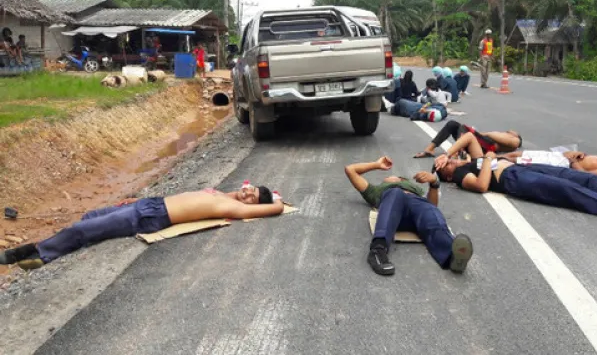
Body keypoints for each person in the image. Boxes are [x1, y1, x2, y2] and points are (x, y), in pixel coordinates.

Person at [0, 183, 283, 270]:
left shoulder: (230, 207)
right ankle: (54, 246)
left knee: (82, 231)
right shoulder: (223, 194)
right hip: (148, 205)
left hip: (150, 218)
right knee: (89, 217)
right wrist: (138, 199)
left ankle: (36, 253)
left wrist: (276, 202)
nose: (247, 196)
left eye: (253, 199)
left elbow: (276, 208)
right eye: (251, 191)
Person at [433, 136, 597, 224]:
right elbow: (482, 186)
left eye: (451, 159)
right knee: (565, 189)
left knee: (578, 177)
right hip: (513, 178)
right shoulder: (461, 175)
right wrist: (487, 160)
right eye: (449, 164)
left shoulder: (466, 162)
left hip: (525, 166)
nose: (453, 160)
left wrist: (446, 154)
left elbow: (467, 136)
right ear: (447, 174)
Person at [344, 156, 473, 276]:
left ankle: (452, 257)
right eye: (390, 177)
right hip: (395, 214)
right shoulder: (377, 191)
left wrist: (434, 182)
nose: (396, 177)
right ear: (385, 181)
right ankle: (378, 250)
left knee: (429, 211)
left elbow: (432, 205)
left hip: (418, 207)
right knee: (396, 193)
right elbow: (350, 170)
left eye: (400, 178)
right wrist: (376, 164)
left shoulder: (417, 191)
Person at [414, 119, 522, 158]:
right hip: (481, 141)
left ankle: (457, 153)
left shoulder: (515, 140)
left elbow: (489, 136)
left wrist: (477, 133)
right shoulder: (505, 134)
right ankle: (430, 149)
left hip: (486, 147)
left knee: (464, 127)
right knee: (452, 124)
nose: (511, 130)